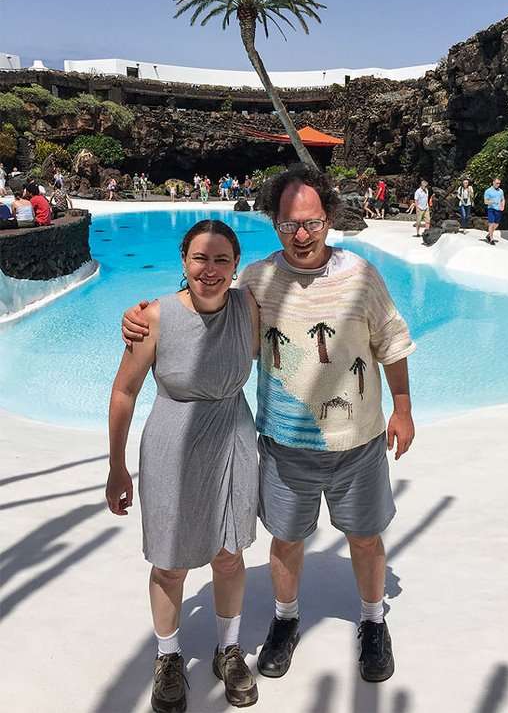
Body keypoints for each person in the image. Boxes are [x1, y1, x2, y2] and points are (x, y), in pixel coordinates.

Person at [122, 164, 416, 686]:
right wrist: (143, 314)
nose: (301, 235)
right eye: (289, 224)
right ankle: (285, 620)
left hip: (358, 442)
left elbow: (391, 341)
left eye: (312, 223)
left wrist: (403, 408)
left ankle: (374, 622)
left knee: (366, 537)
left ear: (330, 219)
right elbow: (204, 303)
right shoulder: (256, 281)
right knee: (286, 540)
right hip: (283, 443)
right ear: (275, 224)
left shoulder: (362, 275)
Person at [107, 220, 261, 711]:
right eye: (200, 258)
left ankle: (228, 649)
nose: (210, 270)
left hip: (234, 437)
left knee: (229, 554)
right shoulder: (154, 318)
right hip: (172, 446)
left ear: (235, 265)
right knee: (170, 562)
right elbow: (124, 391)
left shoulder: (249, 307)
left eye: (221, 260)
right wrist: (116, 466)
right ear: (183, 261)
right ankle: (169, 656)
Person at [483, 177, 505, 245]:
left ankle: (489, 235)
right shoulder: (488, 191)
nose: (498, 184)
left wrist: (503, 206)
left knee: (496, 224)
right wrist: (492, 201)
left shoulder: (501, 191)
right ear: (493, 182)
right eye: (497, 183)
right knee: (491, 223)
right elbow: (485, 202)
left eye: (499, 183)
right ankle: (491, 239)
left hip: (498, 209)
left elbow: (503, 199)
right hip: (491, 209)